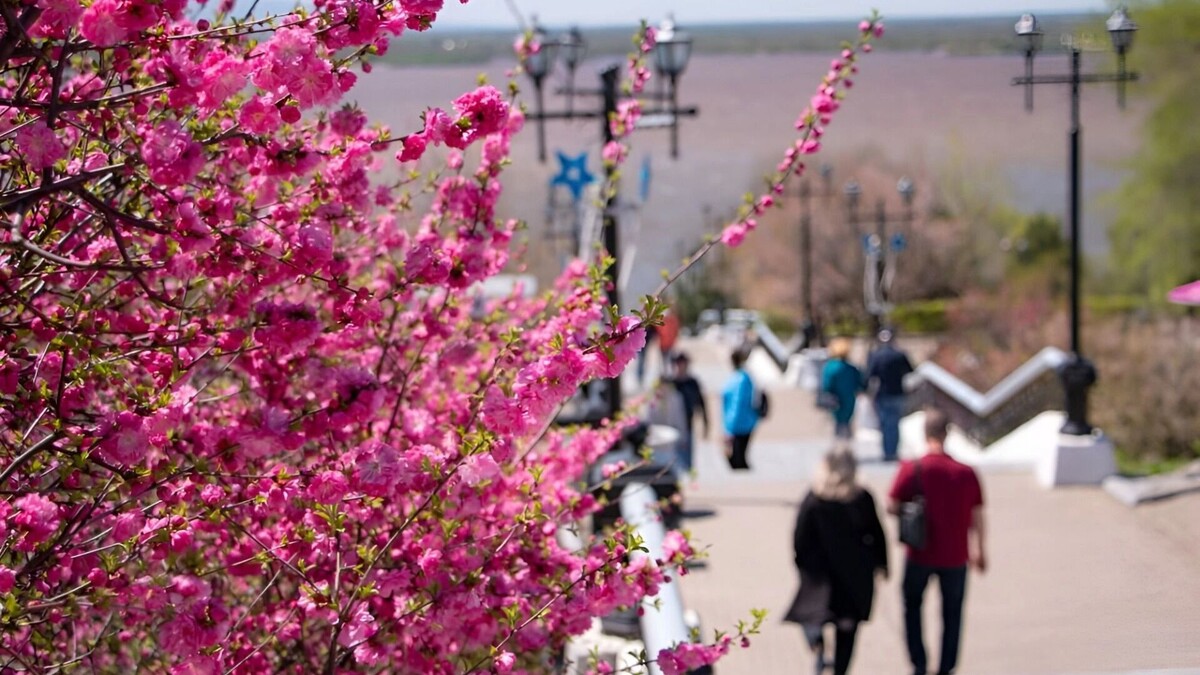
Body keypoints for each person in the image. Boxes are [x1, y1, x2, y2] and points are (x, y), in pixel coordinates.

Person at [888, 408, 986, 675]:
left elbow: (892, 505)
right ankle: (946, 667)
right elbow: (978, 514)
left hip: (919, 553)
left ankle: (919, 662)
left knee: (912, 606)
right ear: (947, 433)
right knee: (952, 613)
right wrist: (980, 549)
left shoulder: (912, 469)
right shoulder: (966, 473)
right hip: (956, 555)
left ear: (925, 433)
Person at [785, 445, 888, 675]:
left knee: (811, 614)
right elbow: (876, 533)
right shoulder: (860, 497)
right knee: (847, 627)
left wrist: (802, 564)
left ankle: (818, 644)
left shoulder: (815, 498)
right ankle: (840, 669)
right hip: (855, 574)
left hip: (819, 573)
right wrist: (881, 564)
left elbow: (800, 535)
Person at [866, 327, 914, 461]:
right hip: (898, 392)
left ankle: (887, 451)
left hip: (882, 394)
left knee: (885, 423)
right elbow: (910, 370)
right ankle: (893, 451)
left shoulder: (876, 356)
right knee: (895, 423)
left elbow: (870, 375)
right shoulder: (900, 355)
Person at [666, 351, 709, 475]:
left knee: (687, 458)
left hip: (688, 424)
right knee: (673, 459)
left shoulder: (693, 383)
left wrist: (706, 423)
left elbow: (701, 403)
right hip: (671, 426)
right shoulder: (670, 383)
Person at [720, 346, 759, 471]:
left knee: (738, 460)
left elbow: (737, 404)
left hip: (739, 424)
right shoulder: (742, 377)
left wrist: (729, 428)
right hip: (743, 422)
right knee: (738, 459)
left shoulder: (739, 379)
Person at [821, 337, 865, 440]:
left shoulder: (830, 367)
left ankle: (838, 443)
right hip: (849, 398)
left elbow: (827, 385)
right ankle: (846, 443)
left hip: (835, 398)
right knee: (847, 421)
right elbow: (860, 383)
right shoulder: (851, 368)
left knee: (837, 422)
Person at [643, 378, 689, 477]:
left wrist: (683, 437)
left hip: (671, 436)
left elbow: (680, 418)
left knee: (672, 462)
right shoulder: (653, 399)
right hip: (656, 437)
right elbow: (648, 419)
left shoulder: (675, 398)